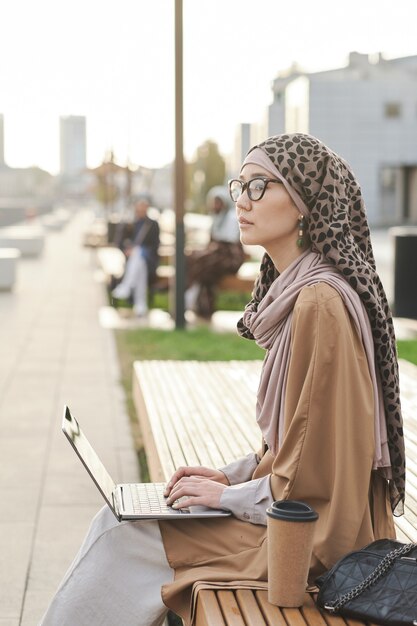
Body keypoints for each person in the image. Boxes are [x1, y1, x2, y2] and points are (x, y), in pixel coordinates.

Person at [40, 133, 405, 626]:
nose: (242, 201)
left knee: (120, 534)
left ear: (303, 204)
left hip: (307, 541)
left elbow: (312, 478)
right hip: (294, 514)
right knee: (125, 522)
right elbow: (297, 446)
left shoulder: (319, 302)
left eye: (260, 186)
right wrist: (228, 478)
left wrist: (227, 498)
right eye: (240, 186)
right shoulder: (301, 289)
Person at [185, 186, 245, 318]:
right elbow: (212, 244)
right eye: (214, 202)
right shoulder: (215, 219)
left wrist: (212, 249)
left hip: (230, 258)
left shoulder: (231, 218)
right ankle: (201, 306)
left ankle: (189, 295)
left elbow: (228, 244)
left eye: (218, 202)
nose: (215, 205)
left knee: (203, 265)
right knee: (202, 269)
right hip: (216, 258)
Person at [111, 196, 160, 317]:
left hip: (148, 260)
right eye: (139, 207)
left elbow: (155, 246)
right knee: (139, 267)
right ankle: (140, 305)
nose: (141, 209)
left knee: (138, 253)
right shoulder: (130, 224)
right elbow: (120, 241)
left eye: (144, 207)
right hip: (135, 262)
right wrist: (127, 249)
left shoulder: (152, 225)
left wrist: (140, 250)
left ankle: (127, 286)